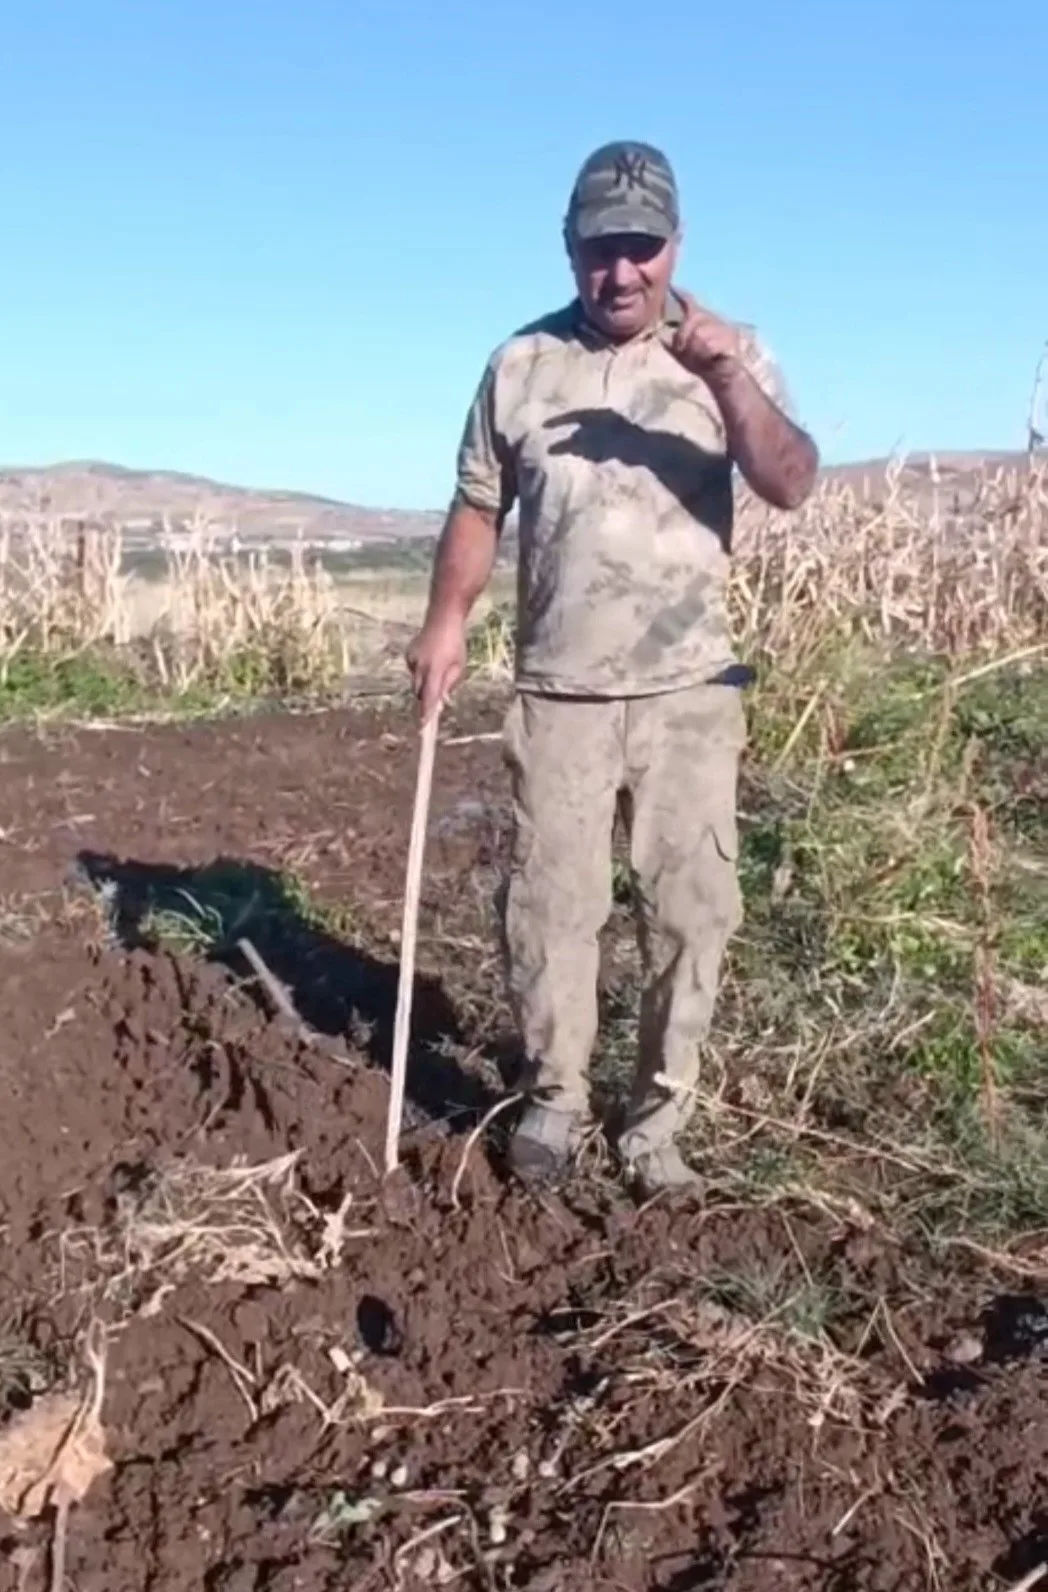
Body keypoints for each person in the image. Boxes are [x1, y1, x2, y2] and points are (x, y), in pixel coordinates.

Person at [406, 139, 819, 1199]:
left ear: (675, 245)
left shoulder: (732, 354)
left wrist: (723, 373)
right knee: (553, 906)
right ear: (570, 248)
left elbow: (790, 481)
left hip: (690, 692)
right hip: (559, 691)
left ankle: (656, 1125)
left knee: (691, 911)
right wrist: (446, 620)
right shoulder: (518, 366)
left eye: (642, 247)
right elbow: (477, 507)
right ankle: (554, 1095)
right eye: (600, 249)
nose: (621, 271)